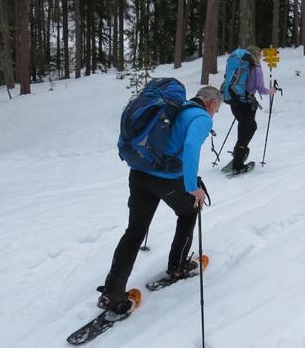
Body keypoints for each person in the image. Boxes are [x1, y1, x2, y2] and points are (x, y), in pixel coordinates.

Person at [97, 86, 223, 314]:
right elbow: (191, 146)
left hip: (139, 173)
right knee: (189, 211)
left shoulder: (174, 107)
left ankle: (112, 294)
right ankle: (178, 266)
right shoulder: (201, 117)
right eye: (217, 110)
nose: (215, 114)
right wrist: (193, 187)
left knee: (135, 231)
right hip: (166, 179)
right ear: (212, 104)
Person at [230, 46, 276, 174]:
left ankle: (239, 152)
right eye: (260, 55)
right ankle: (238, 164)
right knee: (248, 129)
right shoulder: (256, 69)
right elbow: (260, 88)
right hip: (247, 103)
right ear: (257, 55)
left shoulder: (237, 66)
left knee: (244, 127)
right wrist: (271, 91)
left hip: (234, 101)